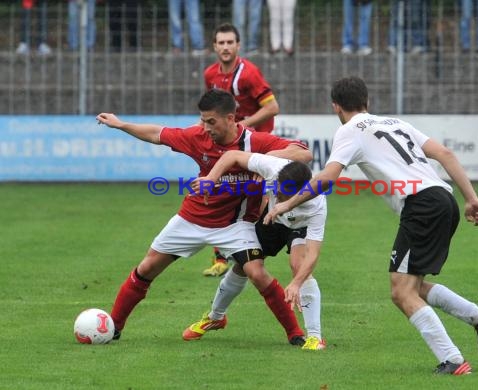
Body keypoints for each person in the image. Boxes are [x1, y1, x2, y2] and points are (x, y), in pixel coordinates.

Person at [265, 76, 478, 375]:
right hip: (444, 198)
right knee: (411, 285)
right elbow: (445, 154)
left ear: (335, 106)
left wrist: (286, 204)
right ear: (368, 102)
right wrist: (472, 198)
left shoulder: (349, 130)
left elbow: (327, 177)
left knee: (401, 292)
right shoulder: (395, 122)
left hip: (421, 205)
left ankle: (453, 360)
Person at [95, 89, 311, 345]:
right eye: (202, 120)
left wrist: (260, 160)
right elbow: (158, 134)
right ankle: (114, 327)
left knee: (256, 271)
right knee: (147, 267)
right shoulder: (197, 137)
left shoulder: (254, 143)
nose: (205, 127)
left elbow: (303, 154)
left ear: (231, 119)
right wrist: (121, 125)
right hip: (191, 218)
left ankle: (295, 334)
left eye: (211, 122)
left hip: (235, 224)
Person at [185, 151, 327, 350]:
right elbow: (232, 155)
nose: (277, 193)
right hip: (272, 220)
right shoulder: (273, 167)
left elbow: (313, 254)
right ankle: (215, 317)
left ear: (300, 193)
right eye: (277, 187)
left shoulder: (315, 206)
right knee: (244, 265)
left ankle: (315, 337)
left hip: (299, 227)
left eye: (283, 193)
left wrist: (295, 284)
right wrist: (211, 179)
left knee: (300, 267)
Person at [202, 23, 280, 277]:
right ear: (214, 46)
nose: (225, 47)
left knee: (258, 197)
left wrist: (241, 125)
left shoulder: (248, 74)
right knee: (216, 189)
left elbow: (272, 108)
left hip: (255, 142)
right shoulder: (210, 74)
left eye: (229, 42)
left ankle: (256, 249)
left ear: (238, 45)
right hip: (229, 142)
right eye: (221, 43)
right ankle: (220, 256)